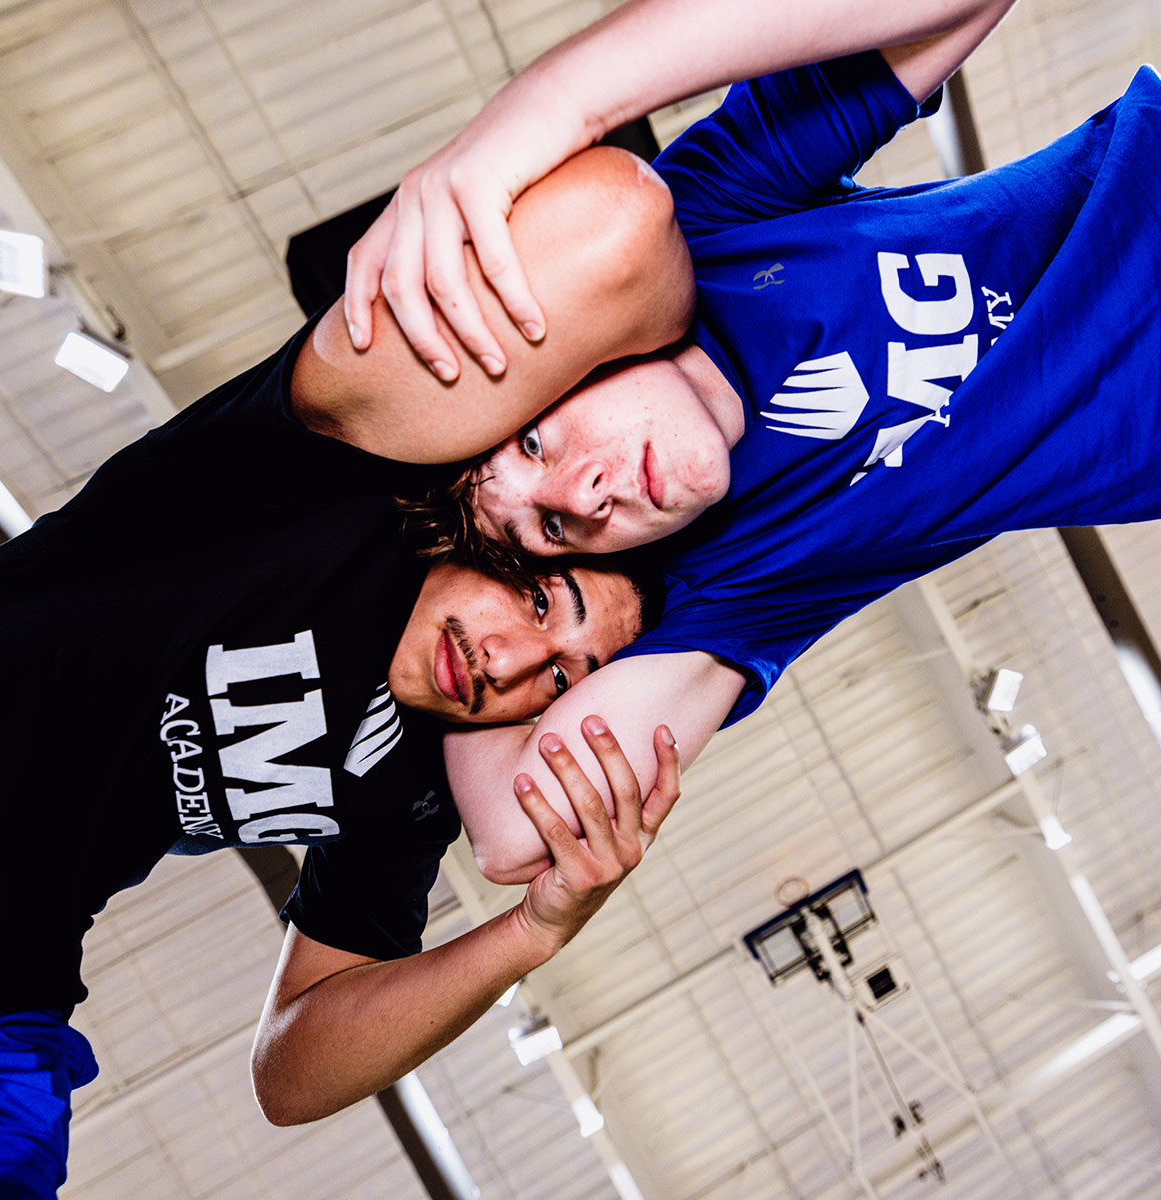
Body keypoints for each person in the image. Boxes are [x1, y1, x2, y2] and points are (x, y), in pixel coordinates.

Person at [0, 142, 692, 1198]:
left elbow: (292, 1072)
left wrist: (534, 932)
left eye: (562, 682)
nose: (513, 663)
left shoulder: (411, 788)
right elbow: (618, 222)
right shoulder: (334, 479)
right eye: (540, 601)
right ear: (500, 527)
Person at [341, 0, 1160, 879]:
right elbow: (510, 838)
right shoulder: (736, 583)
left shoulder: (705, 229)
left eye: (535, 444)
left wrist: (544, 105)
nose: (584, 494)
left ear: (562, 362)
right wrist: (462, 673)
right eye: (548, 530)